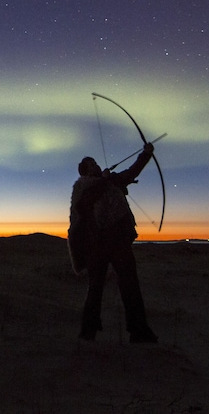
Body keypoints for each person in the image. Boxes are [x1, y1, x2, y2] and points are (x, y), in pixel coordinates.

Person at [68, 142, 158, 343]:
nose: (96, 165)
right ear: (85, 171)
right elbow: (84, 206)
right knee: (95, 288)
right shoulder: (83, 187)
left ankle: (139, 331)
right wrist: (103, 180)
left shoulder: (111, 180)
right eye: (92, 164)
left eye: (95, 163)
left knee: (130, 285)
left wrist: (145, 155)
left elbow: (131, 172)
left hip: (118, 242)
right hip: (96, 245)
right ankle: (88, 332)